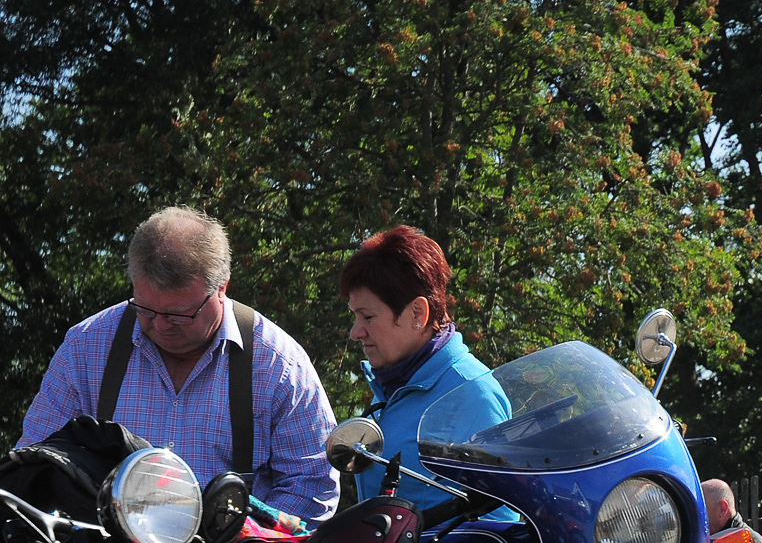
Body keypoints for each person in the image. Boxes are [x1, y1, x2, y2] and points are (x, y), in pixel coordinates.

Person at [21, 206, 339, 522]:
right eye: (145, 309)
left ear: (222, 288)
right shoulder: (86, 347)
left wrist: (244, 536)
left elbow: (311, 488)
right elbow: (36, 463)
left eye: (179, 314)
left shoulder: (278, 365)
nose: (161, 326)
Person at [339, 226, 508, 511]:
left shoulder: (473, 395)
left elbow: (497, 523)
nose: (356, 332)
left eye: (367, 317)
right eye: (355, 317)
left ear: (418, 313)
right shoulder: (395, 381)